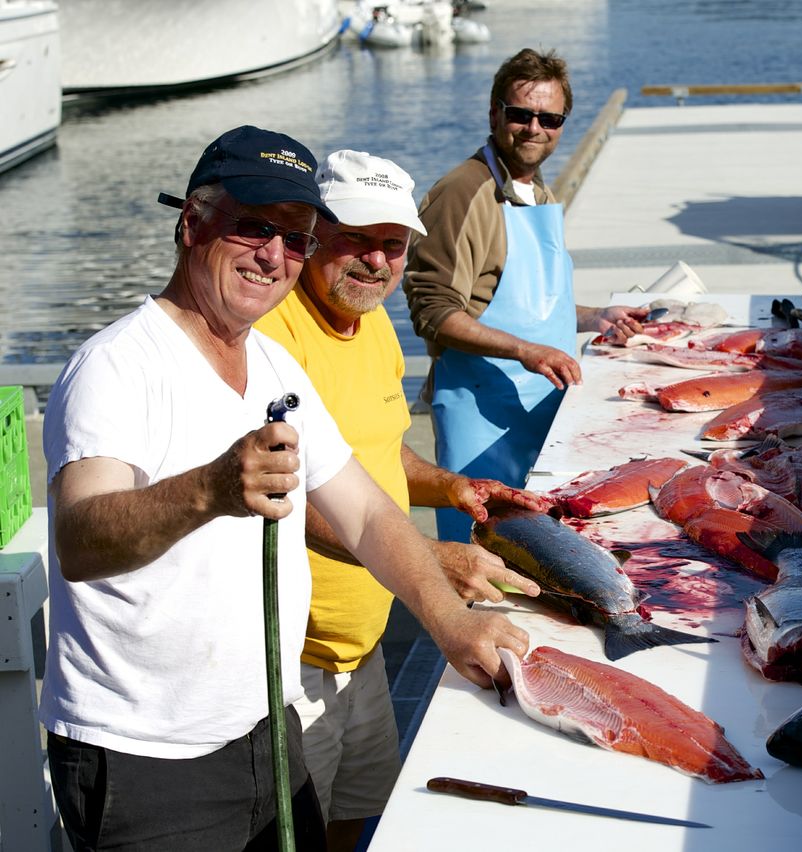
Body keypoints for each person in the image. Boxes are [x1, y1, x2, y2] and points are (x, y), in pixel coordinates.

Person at [40, 125, 529, 851]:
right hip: (147, 757)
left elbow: (366, 513)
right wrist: (207, 489)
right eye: (254, 228)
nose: (274, 255)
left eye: (296, 238)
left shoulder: (273, 366)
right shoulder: (114, 366)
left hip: (266, 727)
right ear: (192, 223)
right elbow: (80, 541)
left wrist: (452, 623)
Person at [255, 148, 548, 850]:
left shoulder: (375, 323)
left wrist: (449, 484)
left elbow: (380, 450)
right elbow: (289, 499)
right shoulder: (271, 338)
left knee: (358, 815)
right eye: (356, 238)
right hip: (292, 661)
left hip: (367, 647)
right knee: (297, 830)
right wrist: (429, 559)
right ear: (311, 232)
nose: (377, 262)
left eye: (393, 244)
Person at [403, 47, 649, 541]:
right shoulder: (462, 192)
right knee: (484, 561)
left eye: (549, 118)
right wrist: (524, 351)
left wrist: (597, 317)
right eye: (520, 114)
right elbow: (432, 311)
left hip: (541, 408)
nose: (534, 127)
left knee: (544, 554)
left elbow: (535, 303)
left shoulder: (538, 190)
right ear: (495, 113)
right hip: (482, 419)